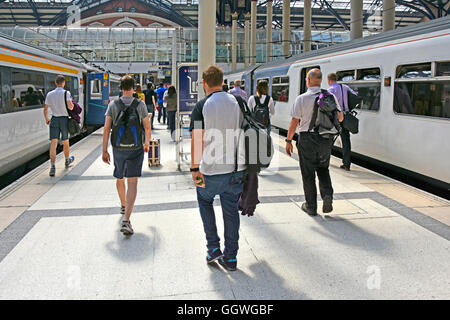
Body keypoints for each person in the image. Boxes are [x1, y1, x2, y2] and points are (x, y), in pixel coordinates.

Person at [190, 65, 245, 272]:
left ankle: (213, 248)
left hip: (211, 169)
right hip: (235, 168)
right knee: (231, 212)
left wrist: (195, 168)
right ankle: (231, 258)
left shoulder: (202, 105)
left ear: (204, 83)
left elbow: (197, 138)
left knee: (204, 200)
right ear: (222, 81)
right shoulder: (237, 101)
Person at [285, 68, 343, 216]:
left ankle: (311, 207)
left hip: (307, 139)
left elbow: (294, 122)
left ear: (308, 80)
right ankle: (327, 195)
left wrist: (289, 140)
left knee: (308, 174)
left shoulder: (302, 98)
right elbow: (340, 118)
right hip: (325, 140)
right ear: (320, 80)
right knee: (323, 169)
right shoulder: (330, 97)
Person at [102, 75, 151, 236]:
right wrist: (147, 143)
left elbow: (107, 129)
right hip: (136, 147)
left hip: (118, 148)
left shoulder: (113, 105)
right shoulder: (140, 104)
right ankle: (126, 220)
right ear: (133, 87)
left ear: (121, 88)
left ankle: (123, 205)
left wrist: (104, 150)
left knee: (120, 178)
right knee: (133, 182)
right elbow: (147, 126)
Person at [43, 75, 75, 177]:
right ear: (63, 83)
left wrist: (47, 119)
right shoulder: (66, 93)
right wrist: (73, 105)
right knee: (65, 141)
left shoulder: (50, 94)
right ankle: (67, 160)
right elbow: (70, 107)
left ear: (56, 83)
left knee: (53, 142)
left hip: (54, 119)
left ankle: (52, 167)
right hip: (64, 120)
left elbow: (45, 109)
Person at [327, 73, 357, 171]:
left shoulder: (331, 89)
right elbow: (355, 95)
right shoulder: (345, 87)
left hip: (336, 117)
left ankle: (325, 159)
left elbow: (327, 103)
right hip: (345, 116)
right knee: (346, 141)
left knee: (329, 138)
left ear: (329, 80)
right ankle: (346, 164)